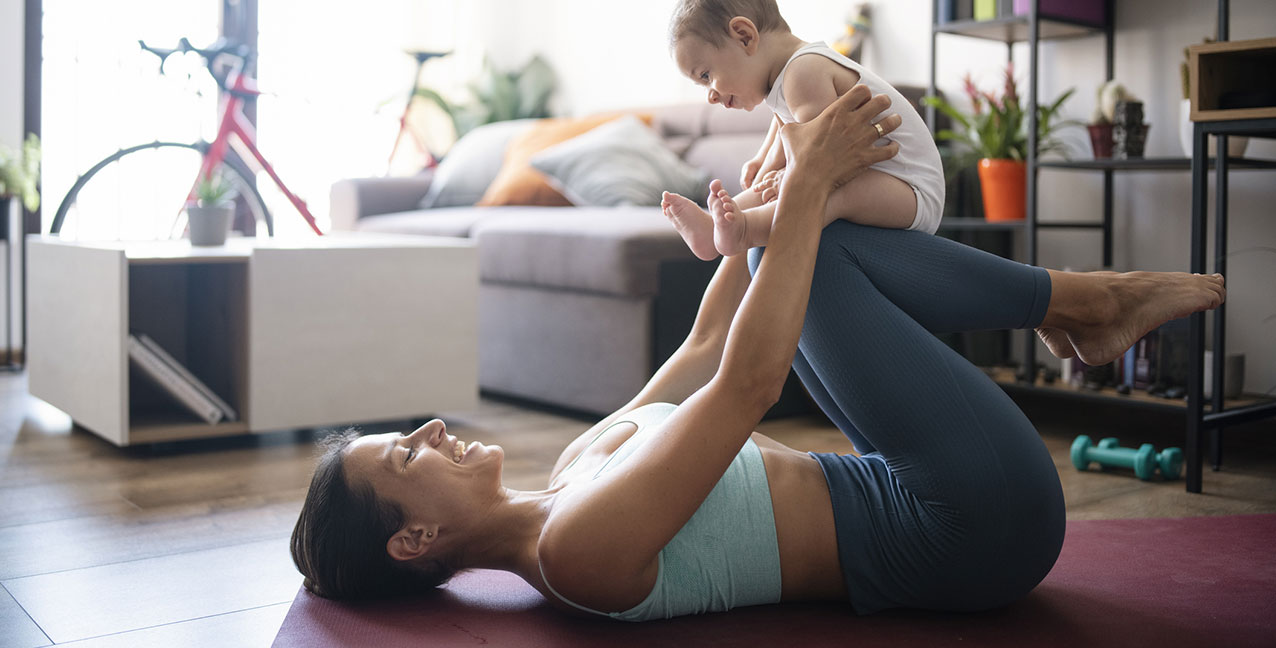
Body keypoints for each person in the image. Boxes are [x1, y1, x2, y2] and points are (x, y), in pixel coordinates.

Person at [290, 85, 1225, 619]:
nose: (432, 428)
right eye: (407, 452)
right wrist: (810, 188)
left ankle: (1079, 304)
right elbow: (747, 383)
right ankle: (1082, 302)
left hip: (919, 480)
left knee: (812, 238)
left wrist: (763, 201)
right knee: (812, 244)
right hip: (972, 531)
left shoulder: (577, 467)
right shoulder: (574, 552)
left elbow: (704, 344)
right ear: (413, 540)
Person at [660, 0, 945, 262]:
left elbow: (819, 149)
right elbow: (785, 124)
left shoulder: (804, 72)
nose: (710, 96)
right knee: (773, 186)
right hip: (884, 181)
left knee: (824, 193)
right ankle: (713, 227)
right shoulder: (785, 78)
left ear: (744, 36)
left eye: (706, 76)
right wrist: (764, 160)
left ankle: (746, 230)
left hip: (911, 190)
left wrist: (788, 176)